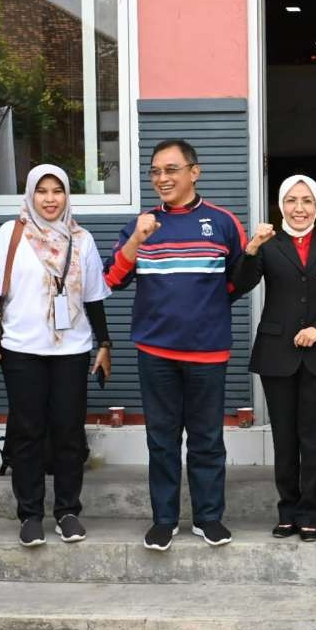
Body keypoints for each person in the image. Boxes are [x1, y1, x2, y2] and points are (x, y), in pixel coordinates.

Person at [104, 139, 248, 552]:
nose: (162, 179)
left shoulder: (222, 222)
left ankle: (208, 518)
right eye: (155, 172)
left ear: (194, 172)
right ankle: (164, 520)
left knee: (206, 440)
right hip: (155, 352)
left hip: (208, 352)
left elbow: (238, 280)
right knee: (162, 440)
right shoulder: (142, 224)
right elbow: (112, 279)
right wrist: (137, 239)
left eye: (171, 170)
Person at [0, 164, 112, 547]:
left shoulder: (81, 239)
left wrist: (105, 344)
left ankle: (67, 512)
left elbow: (94, 299)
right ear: (31, 194)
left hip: (72, 349)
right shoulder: (11, 233)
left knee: (69, 431)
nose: (50, 199)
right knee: (28, 432)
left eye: (58, 191)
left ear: (67, 196)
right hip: (22, 349)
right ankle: (30, 514)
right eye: (42, 191)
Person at [233, 174, 316, 542]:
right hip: (277, 355)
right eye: (291, 200)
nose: (299, 208)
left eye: (306, 201)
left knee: (315, 438)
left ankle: (311, 514)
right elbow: (239, 284)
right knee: (285, 439)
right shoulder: (269, 245)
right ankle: (287, 511)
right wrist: (252, 246)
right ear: (281, 205)